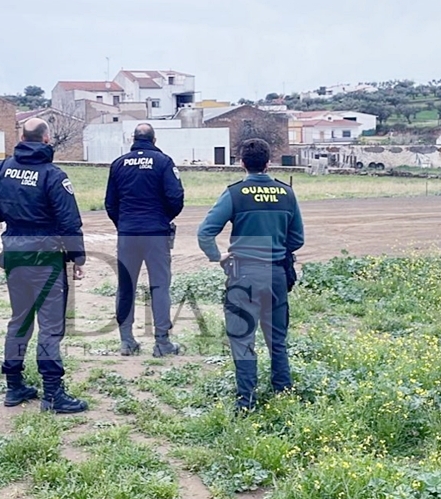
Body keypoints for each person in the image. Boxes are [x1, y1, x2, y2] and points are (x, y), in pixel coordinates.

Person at [0, 117, 88, 414]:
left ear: (21, 137)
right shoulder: (53, 175)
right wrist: (77, 257)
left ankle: (14, 386)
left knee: (19, 320)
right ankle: (52, 394)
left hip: (13, 254)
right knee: (50, 326)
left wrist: (5, 214)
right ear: (47, 140)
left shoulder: (2, 168)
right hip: (45, 258)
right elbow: (69, 221)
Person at [197, 138, 304, 412]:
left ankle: (246, 401)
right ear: (269, 162)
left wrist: (216, 256)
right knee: (277, 339)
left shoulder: (235, 193)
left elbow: (205, 232)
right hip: (277, 274)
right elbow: (298, 239)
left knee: (243, 339)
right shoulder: (287, 193)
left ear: (242, 162)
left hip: (243, 275)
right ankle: (283, 392)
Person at [105, 123, 185, 357]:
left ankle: (126, 341)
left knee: (126, 286)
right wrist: (163, 218)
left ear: (133, 138)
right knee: (159, 286)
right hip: (156, 233)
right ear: (154, 139)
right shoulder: (164, 162)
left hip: (128, 233)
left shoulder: (118, 164)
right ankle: (162, 342)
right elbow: (176, 197)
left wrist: (123, 223)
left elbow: (110, 203)